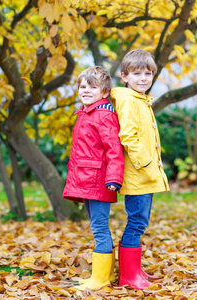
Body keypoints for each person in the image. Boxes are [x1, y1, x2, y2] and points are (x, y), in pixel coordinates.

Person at [110, 49, 170, 290]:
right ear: (124, 76)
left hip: (145, 176)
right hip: (139, 175)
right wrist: (148, 167)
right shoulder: (128, 100)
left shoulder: (140, 99)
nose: (144, 78)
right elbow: (129, 137)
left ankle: (134, 270)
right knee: (136, 222)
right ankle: (128, 276)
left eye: (148, 73)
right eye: (137, 73)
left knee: (140, 222)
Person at [63, 66, 124, 291]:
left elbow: (114, 150)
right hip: (87, 179)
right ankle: (102, 274)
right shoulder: (86, 112)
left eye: (93, 87)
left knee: (99, 226)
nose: (86, 90)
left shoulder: (104, 115)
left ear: (105, 91)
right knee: (96, 225)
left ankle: (101, 280)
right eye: (82, 86)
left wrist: (114, 178)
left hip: (99, 180)